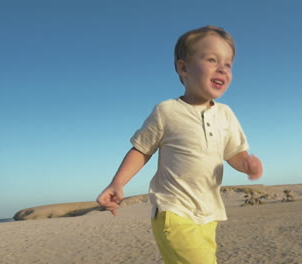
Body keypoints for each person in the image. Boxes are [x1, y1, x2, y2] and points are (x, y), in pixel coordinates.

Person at [96, 25, 263, 264]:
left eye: (228, 64)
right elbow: (142, 149)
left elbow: (234, 152)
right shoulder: (167, 111)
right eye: (212, 59)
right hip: (173, 212)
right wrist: (117, 183)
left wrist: (247, 164)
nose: (222, 69)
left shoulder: (226, 115)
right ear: (183, 68)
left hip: (209, 213)